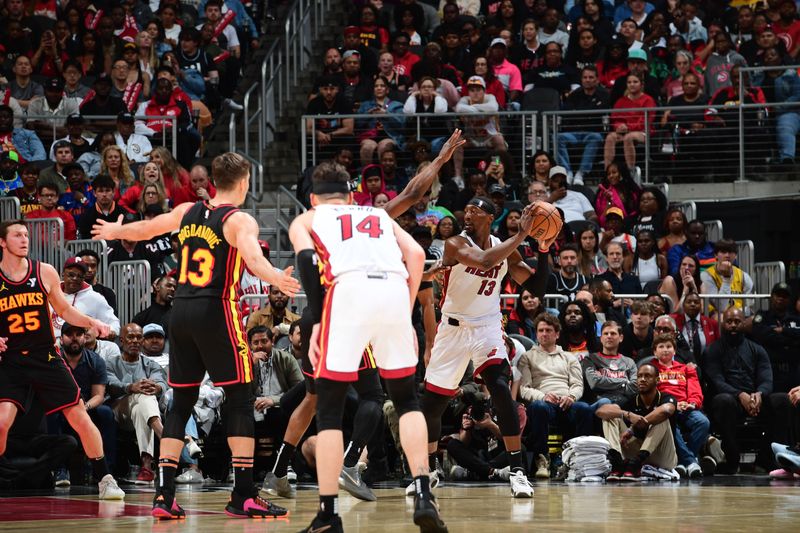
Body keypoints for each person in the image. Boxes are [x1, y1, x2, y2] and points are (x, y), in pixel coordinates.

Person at [265, 132, 467, 511]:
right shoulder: (373, 215)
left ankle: (282, 474)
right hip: (362, 301)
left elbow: (309, 261)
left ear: (312, 198)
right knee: (390, 397)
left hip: (328, 305)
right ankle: (397, 480)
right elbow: (412, 209)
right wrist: (438, 163)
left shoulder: (311, 217)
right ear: (352, 194)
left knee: (317, 398)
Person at [92, 152, 299, 519]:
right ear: (245, 181)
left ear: (213, 181)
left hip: (181, 312)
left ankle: (164, 496)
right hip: (215, 309)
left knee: (181, 401)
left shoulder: (188, 210)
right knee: (239, 398)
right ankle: (244, 494)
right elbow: (252, 258)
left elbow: (147, 228)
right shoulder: (238, 219)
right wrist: (275, 277)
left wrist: (114, 231)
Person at [419, 192, 558, 500]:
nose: (466, 214)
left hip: (487, 326)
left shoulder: (502, 247)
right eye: (465, 209)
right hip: (453, 328)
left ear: (489, 216)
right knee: (432, 404)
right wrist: (522, 234)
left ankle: (518, 471)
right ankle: (428, 471)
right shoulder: (455, 243)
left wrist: (544, 249)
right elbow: (484, 261)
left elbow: (535, 286)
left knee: (499, 386)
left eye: (474, 210)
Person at [0, 219, 125, 500]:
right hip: (11, 361)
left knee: (78, 415)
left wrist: (93, 322)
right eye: (17, 235)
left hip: (44, 355)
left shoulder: (43, 271)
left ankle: (105, 478)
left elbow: (65, 312)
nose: (24, 239)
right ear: (2, 242)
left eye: (25, 234)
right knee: (1, 421)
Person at [703, 307, 793, 474]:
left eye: (737, 321)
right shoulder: (713, 349)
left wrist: (759, 394)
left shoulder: (757, 348)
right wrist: (739, 395)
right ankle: (732, 459)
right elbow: (717, 381)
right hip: (730, 400)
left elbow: (767, 378)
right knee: (723, 400)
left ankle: (766, 458)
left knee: (782, 400)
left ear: (744, 323)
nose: (733, 325)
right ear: (723, 324)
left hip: (755, 399)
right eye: (729, 322)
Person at [518, 313, 593, 479]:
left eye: (549, 330)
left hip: (566, 401)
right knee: (539, 407)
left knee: (585, 409)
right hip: (543, 402)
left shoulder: (569, 357)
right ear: (536, 334)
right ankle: (541, 459)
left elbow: (577, 385)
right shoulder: (527, 357)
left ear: (557, 334)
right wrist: (542, 396)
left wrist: (572, 397)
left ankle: (574, 459)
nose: (544, 333)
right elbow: (523, 388)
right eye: (541, 330)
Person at [106, 323, 167, 483]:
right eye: (130, 337)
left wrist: (157, 387)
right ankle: (165, 436)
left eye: (139, 337)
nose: (135, 341)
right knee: (142, 396)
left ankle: (147, 467)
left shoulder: (150, 364)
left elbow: (162, 383)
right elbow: (111, 385)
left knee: (144, 399)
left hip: (142, 412)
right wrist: (131, 387)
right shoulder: (111, 363)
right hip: (119, 412)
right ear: (121, 340)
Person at [596, 364, 679, 480]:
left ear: (657, 380)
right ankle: (617, 461)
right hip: (635, 454)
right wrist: (627, 415)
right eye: (639, 376)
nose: (642, 379)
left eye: (647, 376)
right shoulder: (632, 400)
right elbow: (601, 411)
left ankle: (637, 463)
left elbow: (666, 410)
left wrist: (632, 429)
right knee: (611, 416)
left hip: (662, 456)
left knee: (661, 419)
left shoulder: (665, 398)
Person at [557, 65, 609, 186]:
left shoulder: (604, 94)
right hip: (574, 132)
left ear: (597, 79)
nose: (588, 80)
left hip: (593, 132)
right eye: (585, 77)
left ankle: (581, 173)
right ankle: (567, 172)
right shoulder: (575, 94)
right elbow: (566, 114)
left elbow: (602, 116)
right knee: (558, 137)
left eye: (591, 77)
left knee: (595, 137)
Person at [751, 283, 800, 393]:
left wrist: (783, 331)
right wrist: (791, 340)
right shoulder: (763, 316)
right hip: (770, 370)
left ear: (789, 299)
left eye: (784, 296)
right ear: (772, 296)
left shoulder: (795, 318)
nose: (781, 298)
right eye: (778, 295)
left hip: (793, 370)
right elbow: (759, 335)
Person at [583, 321, 638, 407]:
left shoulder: (629, 362)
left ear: (621, 338)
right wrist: (624, 382)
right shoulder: (590, 359)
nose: (609, 336)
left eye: (613, 333)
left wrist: (603, 380)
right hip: (599, 403)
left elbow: (634, 387)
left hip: (625, 403)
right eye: (606, 333)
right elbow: (595, 382)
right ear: (601, 338)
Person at [700, 239, 754, 319]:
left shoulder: (744, 276)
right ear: (715, 255)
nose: (727, 255)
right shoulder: (707, 275)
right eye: (723, 252)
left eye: (731, 252)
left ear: (735, 255)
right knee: (721, 318)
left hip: (740, 314)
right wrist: (726, 279)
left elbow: (750, 305)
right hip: (716, 315)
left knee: (754, 320)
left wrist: (737, 313)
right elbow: (721, 307)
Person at [670, 292, 720, 363]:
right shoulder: (674, 321)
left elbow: (717, 346)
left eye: (696, 302)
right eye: (689, 302)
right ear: (683, 306)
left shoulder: (712, 323)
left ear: (701, 306)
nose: (692, 304)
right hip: (681, 364)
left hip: (707, 365)